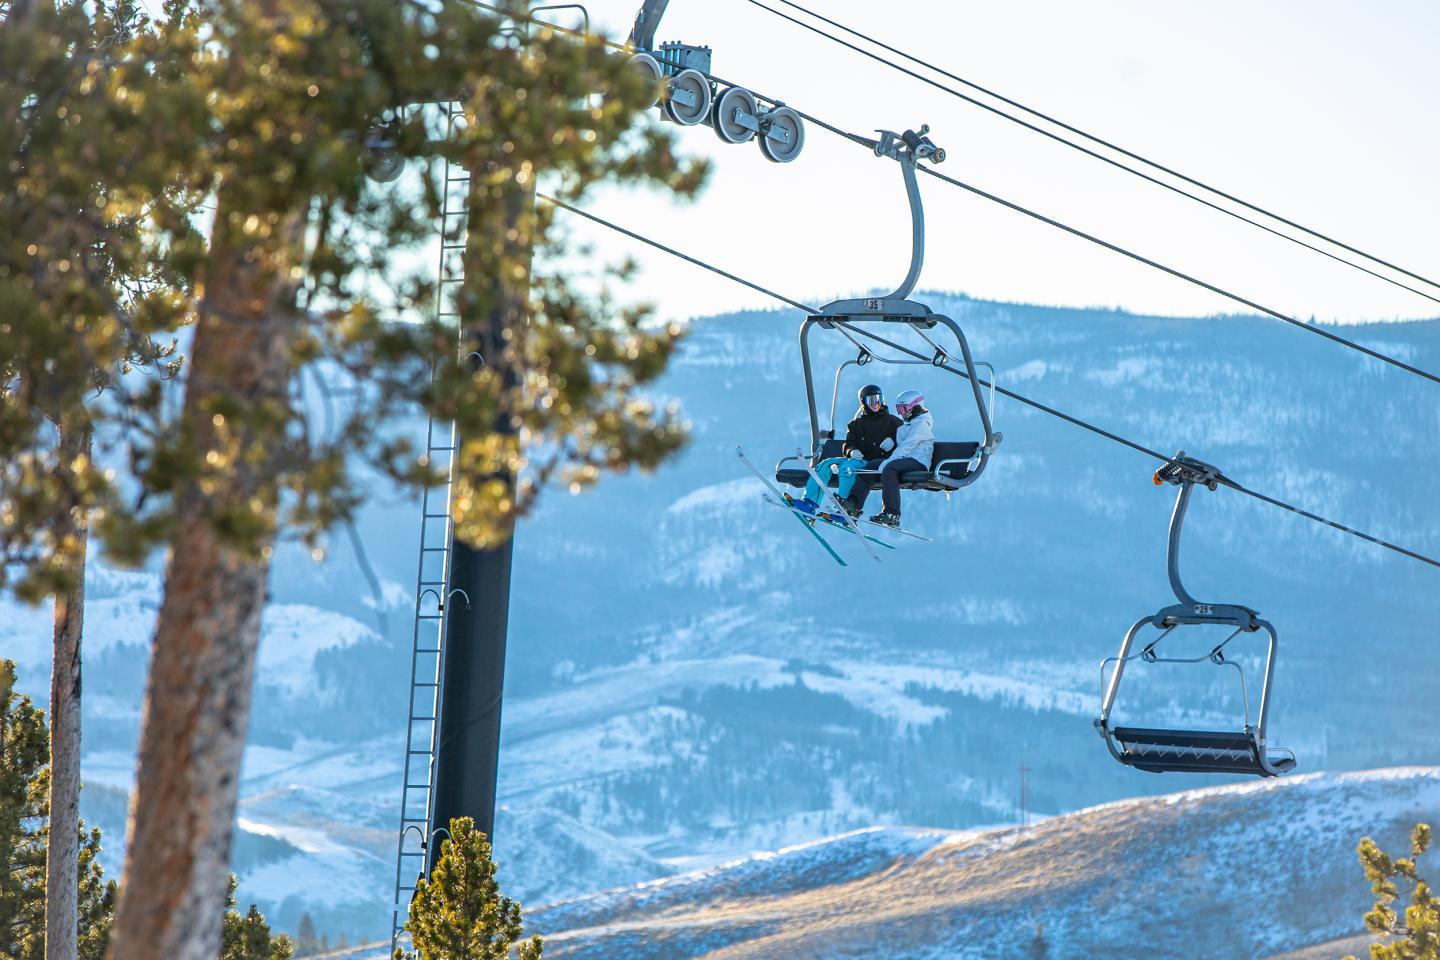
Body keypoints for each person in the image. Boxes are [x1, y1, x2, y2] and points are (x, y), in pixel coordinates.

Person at [788, 384, 900, 518]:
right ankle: (809, 503)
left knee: (847, 468)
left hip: (875, 463)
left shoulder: (893, 422)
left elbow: (907, 440)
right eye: (872, 400)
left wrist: (894, 440)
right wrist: (852, 451)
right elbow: (848, 444)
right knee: (825, 465)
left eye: (879, 399)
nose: (876, 403)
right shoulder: (856, 425)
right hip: (858, 460)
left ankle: (845, 509)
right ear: (864, 402)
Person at [845, 388, 933, 527]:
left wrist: (888, 461)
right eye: (900, 410)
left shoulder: (922, 423)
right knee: (870, 466)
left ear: (915, 407)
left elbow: (908, 445)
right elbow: (897, 439)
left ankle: (892, 514)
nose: (902, 413)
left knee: (889, 468)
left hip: (918, 461)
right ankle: (853, 505)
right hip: (905, 460)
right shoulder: (908, 425)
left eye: (904, 409)